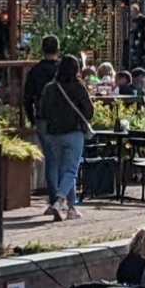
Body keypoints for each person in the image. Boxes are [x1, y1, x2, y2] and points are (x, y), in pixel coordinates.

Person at [39, 55, 95, 220]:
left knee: (63, 170)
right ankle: (59, 202)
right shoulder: (79, 87)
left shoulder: (50, 88)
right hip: (74, 132)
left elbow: (43, 111)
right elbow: (89, 112)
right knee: (71, 170)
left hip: (54, 134)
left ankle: (71, 208)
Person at [23, 34, 62, 211]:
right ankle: (64, 199)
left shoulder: (35, 71)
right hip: (62, 120)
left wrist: (32, 118)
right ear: (57, 50)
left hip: (42, 119)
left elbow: (26, 97)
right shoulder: (63, 69)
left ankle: (54, 198)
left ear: (42, 49)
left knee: (51, 160)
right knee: (66, 161)